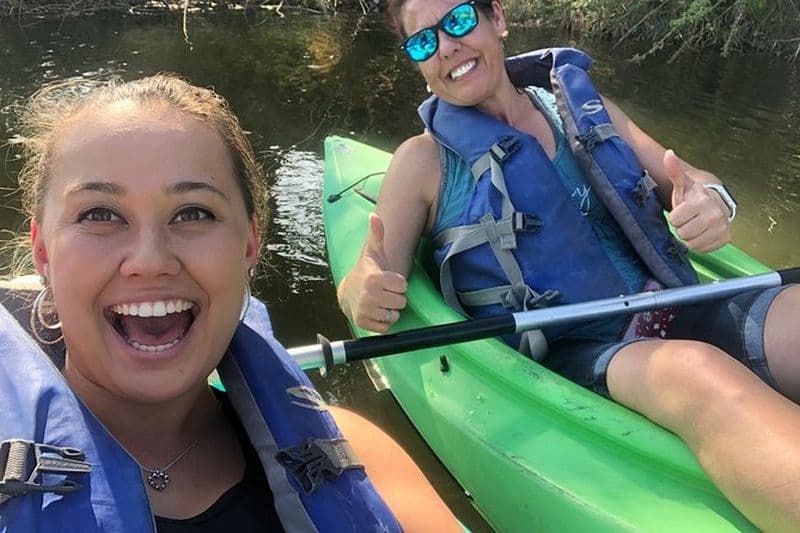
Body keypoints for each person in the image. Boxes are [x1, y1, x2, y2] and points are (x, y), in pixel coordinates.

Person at [336, 0, 800, 529]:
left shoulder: (576, 106)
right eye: (422, 41)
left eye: (459, 21)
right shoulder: (421, 162)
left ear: (499, 20)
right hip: (583, 348)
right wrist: (364, 290)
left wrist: (715, 202)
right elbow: (364, 281)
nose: (446, 47)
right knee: (695, 372)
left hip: (675, 299)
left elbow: (691, 178)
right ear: (417, 62)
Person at [0, 73, 460, 532]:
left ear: (248, 245)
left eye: (193, 213)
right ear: (43, 250)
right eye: (99, 215)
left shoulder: (354, 457)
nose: (150, 260)